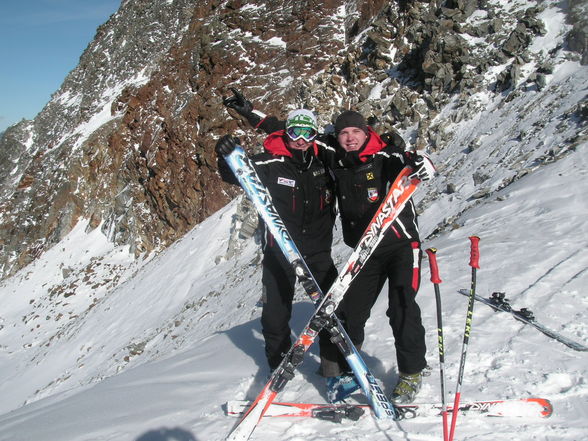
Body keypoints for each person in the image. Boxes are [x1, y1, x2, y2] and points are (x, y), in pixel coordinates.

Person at [223, 89, 436, 404]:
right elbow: (289, 131)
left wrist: (420, 163)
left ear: (367, 133)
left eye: (356, 132)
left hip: (401, 245)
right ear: (337, 136)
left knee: (402, 308)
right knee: (347, 312)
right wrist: (250, 114)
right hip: (365, 252)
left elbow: (419, 166)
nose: (350, 138)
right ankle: (343, 368)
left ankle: (411, 371)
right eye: (344, 132)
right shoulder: (331, 153)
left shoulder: (385, 155)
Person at [215, 109, 338, 374]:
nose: (301, 139)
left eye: (308, 133)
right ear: (286, 132)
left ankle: (333, 368)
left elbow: (356, 154)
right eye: (295, 132)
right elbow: (235, 173)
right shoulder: (269, 163)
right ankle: (278, 364)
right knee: (274, 314)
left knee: (332, 308)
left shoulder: (324, 163)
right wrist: (225, 156)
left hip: (317, 250)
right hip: (280, 250)